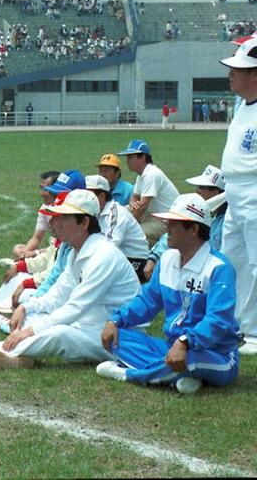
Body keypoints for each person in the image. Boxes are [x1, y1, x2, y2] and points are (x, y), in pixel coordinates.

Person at [0, 190, 139, 369]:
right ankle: (17, 357)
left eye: (64, 218)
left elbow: (75, 307)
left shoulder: (103, 256)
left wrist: (30, 330)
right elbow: (58, 295)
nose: (54, 224)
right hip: (87, 324)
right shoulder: (77, 251)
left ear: (84, 223)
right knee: (36, 318)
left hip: (115, 337)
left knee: (59, 333)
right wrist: (26, 307)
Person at [97, 194, 240, 394]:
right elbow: (148, 301)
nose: (167, 228)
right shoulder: (167, 259)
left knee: (190, 359)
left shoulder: (219, 268)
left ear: (194, 229)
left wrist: (185, 342)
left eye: (173, 223)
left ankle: (129, 374)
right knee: (119, 338)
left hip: (216, 353)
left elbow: (218, 321)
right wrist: (116, 320)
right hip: (171, 347)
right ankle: (178, 375)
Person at [218, 37, 257, 354]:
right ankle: (237, 324)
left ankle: (255, 331)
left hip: (255, 191)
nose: (231, 75)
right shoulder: (243, 106)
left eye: (238, 70)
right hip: (235, 192)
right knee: (233, 261)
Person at [85, 175, 149, 281]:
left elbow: (111, 244)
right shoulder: (95, 212)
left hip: (136, 260)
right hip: (118, 256)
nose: (86, 200)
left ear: (101, 196)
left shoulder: (116, 213)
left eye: (89, 196)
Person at [118, 139, 179, 246]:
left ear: (143, 158)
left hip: (166, 222)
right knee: (121, 213)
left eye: (130, 157)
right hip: (153, 216)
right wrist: (133, 203)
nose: (127, 161)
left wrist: (126, 227)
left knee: (132, 235)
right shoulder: (142, 175)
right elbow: (135, 197)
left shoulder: (152, 174)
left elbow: (142, 207)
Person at [12, 170, 60, 259]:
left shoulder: (65, 210)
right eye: (41, 188)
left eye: (46, 189)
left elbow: (63, 246)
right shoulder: (44, 208)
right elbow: (36, 238)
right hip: (54, 247)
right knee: (18, 248)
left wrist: (35, 253)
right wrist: (24, 254)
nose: (41, 193)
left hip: (61, 250)